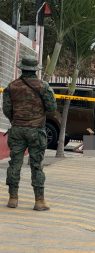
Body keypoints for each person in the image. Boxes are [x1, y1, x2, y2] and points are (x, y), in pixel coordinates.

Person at [2, 56, 57, 211]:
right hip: (36, 130)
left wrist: (16, 119)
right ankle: (39, 201)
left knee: (15, 163)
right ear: (35, 70)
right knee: (36, 165)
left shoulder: (11, 86)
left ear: (22, 68)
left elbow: (6, 109)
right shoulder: (43, 86)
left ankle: (13, 198)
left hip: (17, 129)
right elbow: (52, 107)